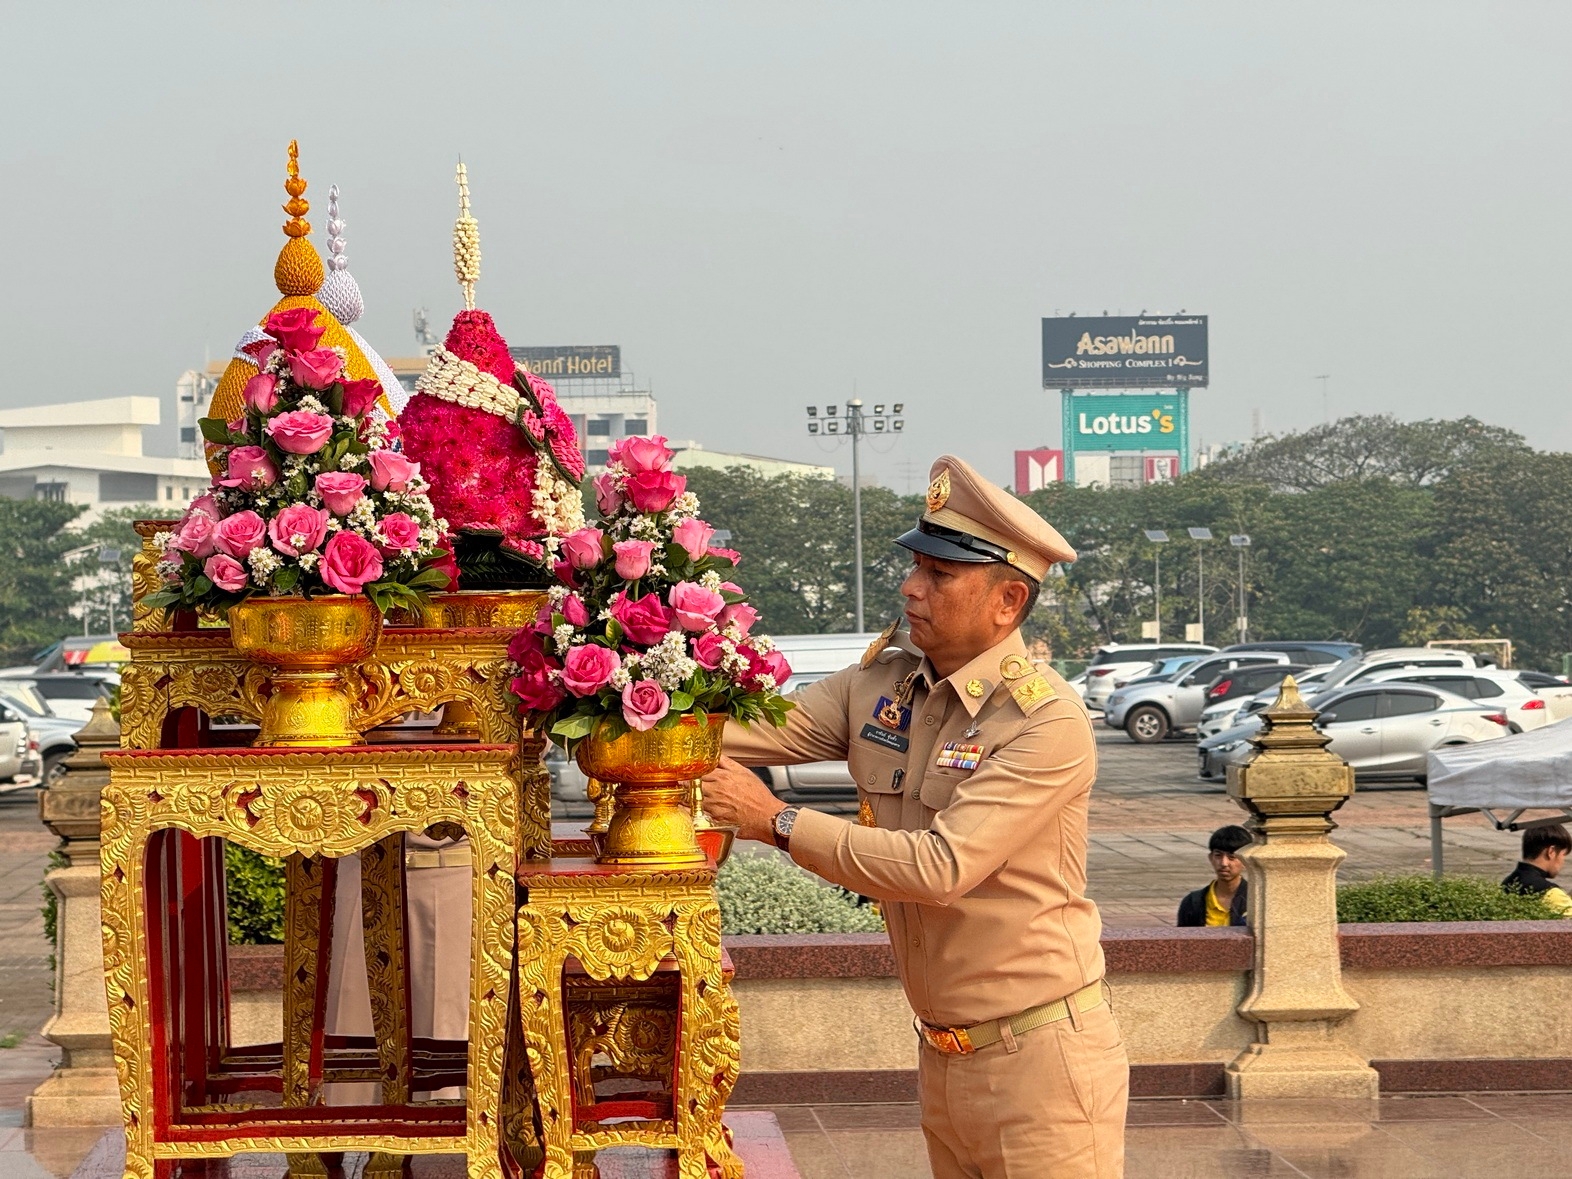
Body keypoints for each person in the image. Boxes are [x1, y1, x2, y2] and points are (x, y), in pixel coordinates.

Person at [701, 455, 1128, 1179]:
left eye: (939, 575)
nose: (911, 588)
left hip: (1042, 1063)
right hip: (944, 1054)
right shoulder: (883, 682)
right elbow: (746, 731)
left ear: (1007, 600)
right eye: (915, 567)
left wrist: (774, 819)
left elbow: (940, 866)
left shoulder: (1045, 721)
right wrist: (618, 679)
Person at [1176, 825, 1251, 927]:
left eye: (1232, 857)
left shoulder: (1254, 901)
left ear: (1245, 860)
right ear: (1211, 858)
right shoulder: (1193, 902)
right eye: (1218, 855)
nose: (1224, 863)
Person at [1501, 824, 1572, 916]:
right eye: (1563, 855)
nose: (1563, 862)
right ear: (1551, 852)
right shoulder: (1550, 893)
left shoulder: (1507, 883)